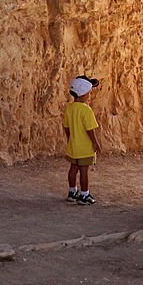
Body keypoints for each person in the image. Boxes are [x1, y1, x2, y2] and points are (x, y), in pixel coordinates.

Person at [63, 74, 101, 205]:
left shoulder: (69, 108)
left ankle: (72, 192)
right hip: (85, 147)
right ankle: (85, 194)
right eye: (89, 92)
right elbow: (90, 129)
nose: (89, 95)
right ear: (84, 93)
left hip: (73, 145)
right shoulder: (86, 110)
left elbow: (66, 127)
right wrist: (95, 143)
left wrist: (70, 139)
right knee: (84, 170)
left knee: (73, 168)